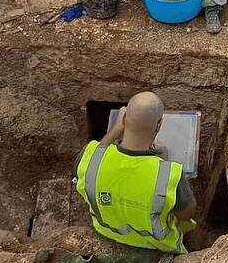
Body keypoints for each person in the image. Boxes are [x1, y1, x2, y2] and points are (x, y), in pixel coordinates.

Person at [73, 92, 197, 254]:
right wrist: (163, 162)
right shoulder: (169, 175)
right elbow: (186, 214)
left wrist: (117, 128)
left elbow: (97, 152)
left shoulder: (88, 157)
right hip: (155, 245)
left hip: (107, 231)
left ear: (123, 119)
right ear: (158, 126)